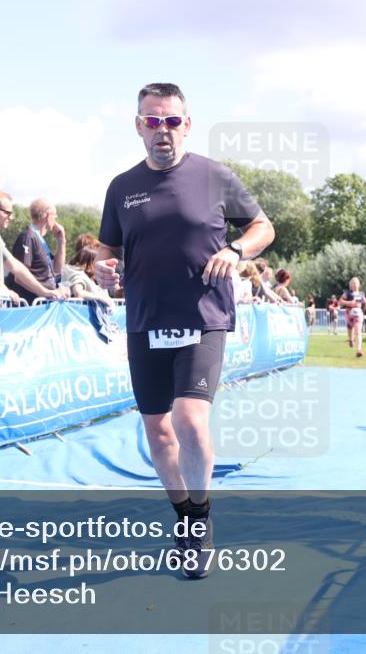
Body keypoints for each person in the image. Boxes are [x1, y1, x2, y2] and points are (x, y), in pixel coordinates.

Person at [94, 83, 275, 579]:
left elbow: (263, 228)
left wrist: (236, 252)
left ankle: (201, 521)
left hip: (203, 318)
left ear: (187, 124)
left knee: (190, 420)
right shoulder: (121, 187)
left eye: (171, 121)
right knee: (157, 431)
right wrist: (106, 272)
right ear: (138, 126)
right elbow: (107, 254)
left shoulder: (214, 177)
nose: (162, 131)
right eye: (152, 122)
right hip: (145, 322)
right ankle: (187, 518)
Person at [6, 198, 67, 304]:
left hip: (42, 305)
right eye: (55, 216)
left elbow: (57, 269)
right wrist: (46, 292)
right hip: (30, 307)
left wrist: (61, 241)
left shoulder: (39, 239)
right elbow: (19, 278)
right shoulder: (28, 237)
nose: (55, 221)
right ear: (48, 216)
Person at [340, 277, 366, 358]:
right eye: (353, 283)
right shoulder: (347, 293)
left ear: (359, 285)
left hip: (358, 314)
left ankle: (359, 350)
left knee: (358, 331)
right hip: (349, 314)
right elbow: (340, 302)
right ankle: (351, 340)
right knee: (350, 329)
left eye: (356, 283)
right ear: (350, 285)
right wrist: (349, 303)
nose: (355, 285)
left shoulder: (361, 294)